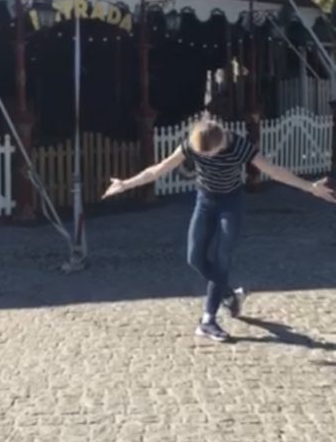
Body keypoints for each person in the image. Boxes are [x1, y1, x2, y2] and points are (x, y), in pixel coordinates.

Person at [102, 118, 335, 343]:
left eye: (209, 154)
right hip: (205, 201)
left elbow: (273, 171)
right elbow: (159, 169)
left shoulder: (239, 146)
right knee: (194, 257)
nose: (205, 158)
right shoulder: (193, 144)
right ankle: (229, 295)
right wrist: (125, 184)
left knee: (222, 258)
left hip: (230, 204)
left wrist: (309, 187)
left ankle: (208, 320)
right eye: (202, 155)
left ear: (221, 143)